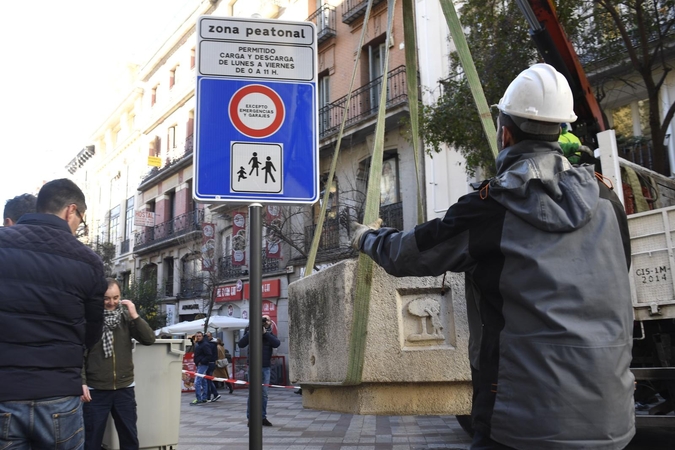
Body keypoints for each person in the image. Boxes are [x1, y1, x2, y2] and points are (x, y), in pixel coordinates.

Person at [351, 64, 635, 450]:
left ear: (505, 131)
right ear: (561, 129)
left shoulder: (493, 207)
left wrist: (367, 237)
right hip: (611, 419)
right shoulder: (607, 199)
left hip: (519, 417)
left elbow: (409, 254)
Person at [0, 178, 107, 449]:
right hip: (59, 393)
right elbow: (92, 332)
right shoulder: (88, 260)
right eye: (81, 219)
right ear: (71, 211)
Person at [82, 278, 156, 450]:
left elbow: (149, 339)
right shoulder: (90, 320)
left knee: (129, 438)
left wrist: (135, 315)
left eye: (115, 297)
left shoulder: (126, 318)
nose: (111, 302)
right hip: (95, 390)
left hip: (124, 388)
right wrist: (82, 382)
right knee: (91, 441)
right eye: (106, 298)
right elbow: (80, 354)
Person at [238, 315, 280, 426]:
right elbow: (241, 344)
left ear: (270, 323)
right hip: (253, 365)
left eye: (267, 320)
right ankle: (251, 418)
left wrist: (265, 333)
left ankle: (262, 417)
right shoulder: (251, 331)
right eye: (262, 319)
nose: (265, 321)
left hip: (265, 366)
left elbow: (276, 343)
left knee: (264, 394)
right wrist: (253, 331)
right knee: (253, 393)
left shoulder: (269, 333)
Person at [190, 331, 212, 405]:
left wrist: (201, 361)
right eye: (197, 336)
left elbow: (209, 355)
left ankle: (199, 398)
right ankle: (204, 397)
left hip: (203, 365)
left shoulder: (204, 344)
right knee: (203, 381)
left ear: (202, 336)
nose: (198, 337)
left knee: (197, 381)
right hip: (200, 364)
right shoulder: (198, 344)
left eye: (199, 336)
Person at [204, 331, 221, 402]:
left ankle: (213, 394)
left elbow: (210, 354)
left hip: (210, 363)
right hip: (212, 362)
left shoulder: (211, 344)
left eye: (208, 336)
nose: (206, 338)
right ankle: (211, 395)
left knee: (208, 379)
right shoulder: (213, 344)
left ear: (211, 336)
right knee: (208, 379)